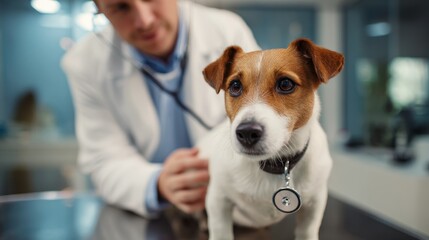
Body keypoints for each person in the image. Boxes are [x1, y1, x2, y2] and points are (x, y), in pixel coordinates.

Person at [61, 0, 259, 218]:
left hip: (234, 205)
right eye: (121, 7)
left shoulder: (227, 30)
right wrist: (157, 183)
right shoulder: (84, 62)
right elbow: (103, 160)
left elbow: (260, 115)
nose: (144, 21)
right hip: (149, 216)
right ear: (100, 10)